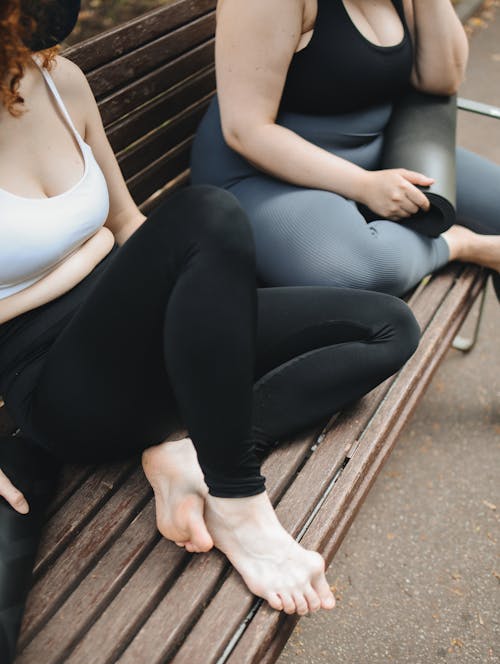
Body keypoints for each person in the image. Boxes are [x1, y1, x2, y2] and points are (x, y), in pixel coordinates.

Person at [0, 0, 420, 618]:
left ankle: (188, 454)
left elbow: (126, 223)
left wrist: (211, 301)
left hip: (144, 326)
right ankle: (238, 499)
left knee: (388, 324)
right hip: (64, 387)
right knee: (210, 212)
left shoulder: (61, 83)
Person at [190, 0, 500, 297]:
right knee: (356, 270)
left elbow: (441, 80)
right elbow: (246, 130)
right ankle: (459, 243)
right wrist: (363, 185)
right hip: (264, 176)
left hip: (378, 155)